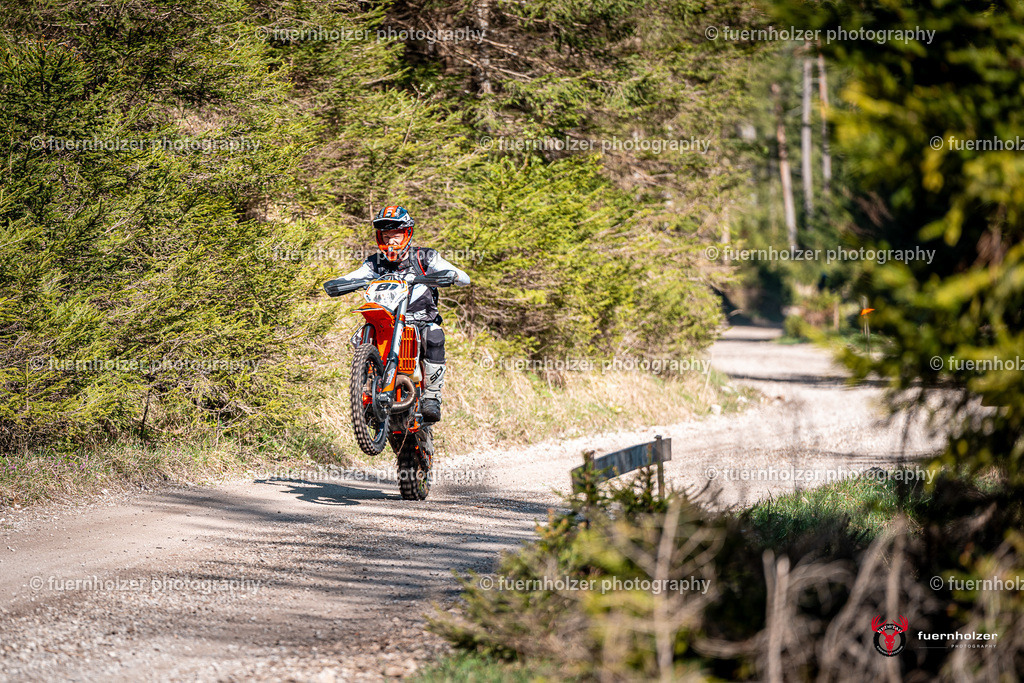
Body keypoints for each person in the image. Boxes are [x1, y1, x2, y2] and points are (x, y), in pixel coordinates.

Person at [328, 205, 470, 423]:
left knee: (434, 335)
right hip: (387, 322)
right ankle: (366, 395)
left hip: (420, 321)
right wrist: (338, 283)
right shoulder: (375, 262)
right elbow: (355, 276)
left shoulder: (425, 257)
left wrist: (451, 275)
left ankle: (432, 398)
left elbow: (463, 277)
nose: (391, 242)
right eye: (386, 236)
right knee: (360, 336)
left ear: (408, 234)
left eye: (396, 236)